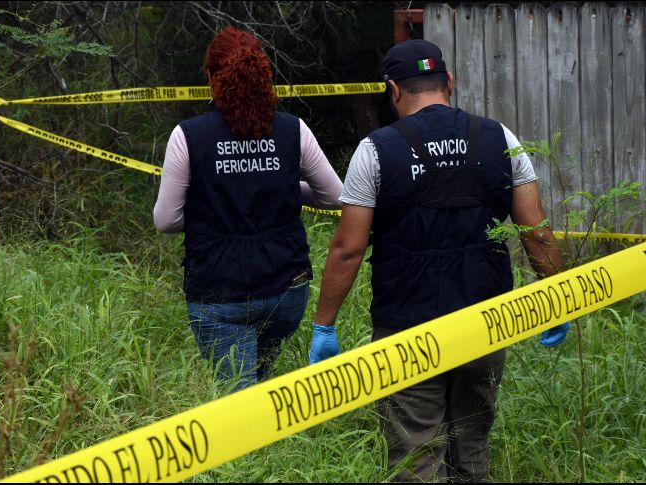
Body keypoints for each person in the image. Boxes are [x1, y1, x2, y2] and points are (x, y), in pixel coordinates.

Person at [308, 39, 571, 482]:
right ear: (449, 82)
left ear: (392, 90)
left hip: (406, 326)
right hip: (487, 320)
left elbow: (348, 248)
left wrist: (324, 325)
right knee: (472, 442)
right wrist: (558, 299)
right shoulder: (499, 137)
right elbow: (535, 231)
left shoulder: (375, 150)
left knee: (416, 450)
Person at [154, 27, 342, 391]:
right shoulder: (293, 130)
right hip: (286, 290)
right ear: (263, 77)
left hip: (219, 294)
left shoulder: (188, 136)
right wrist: (291, 190)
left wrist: (206, 202)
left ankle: (258, 445)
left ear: (210, 76)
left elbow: (166, 219)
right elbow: (335, 195)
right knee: (260, 384)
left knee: (238, 400)